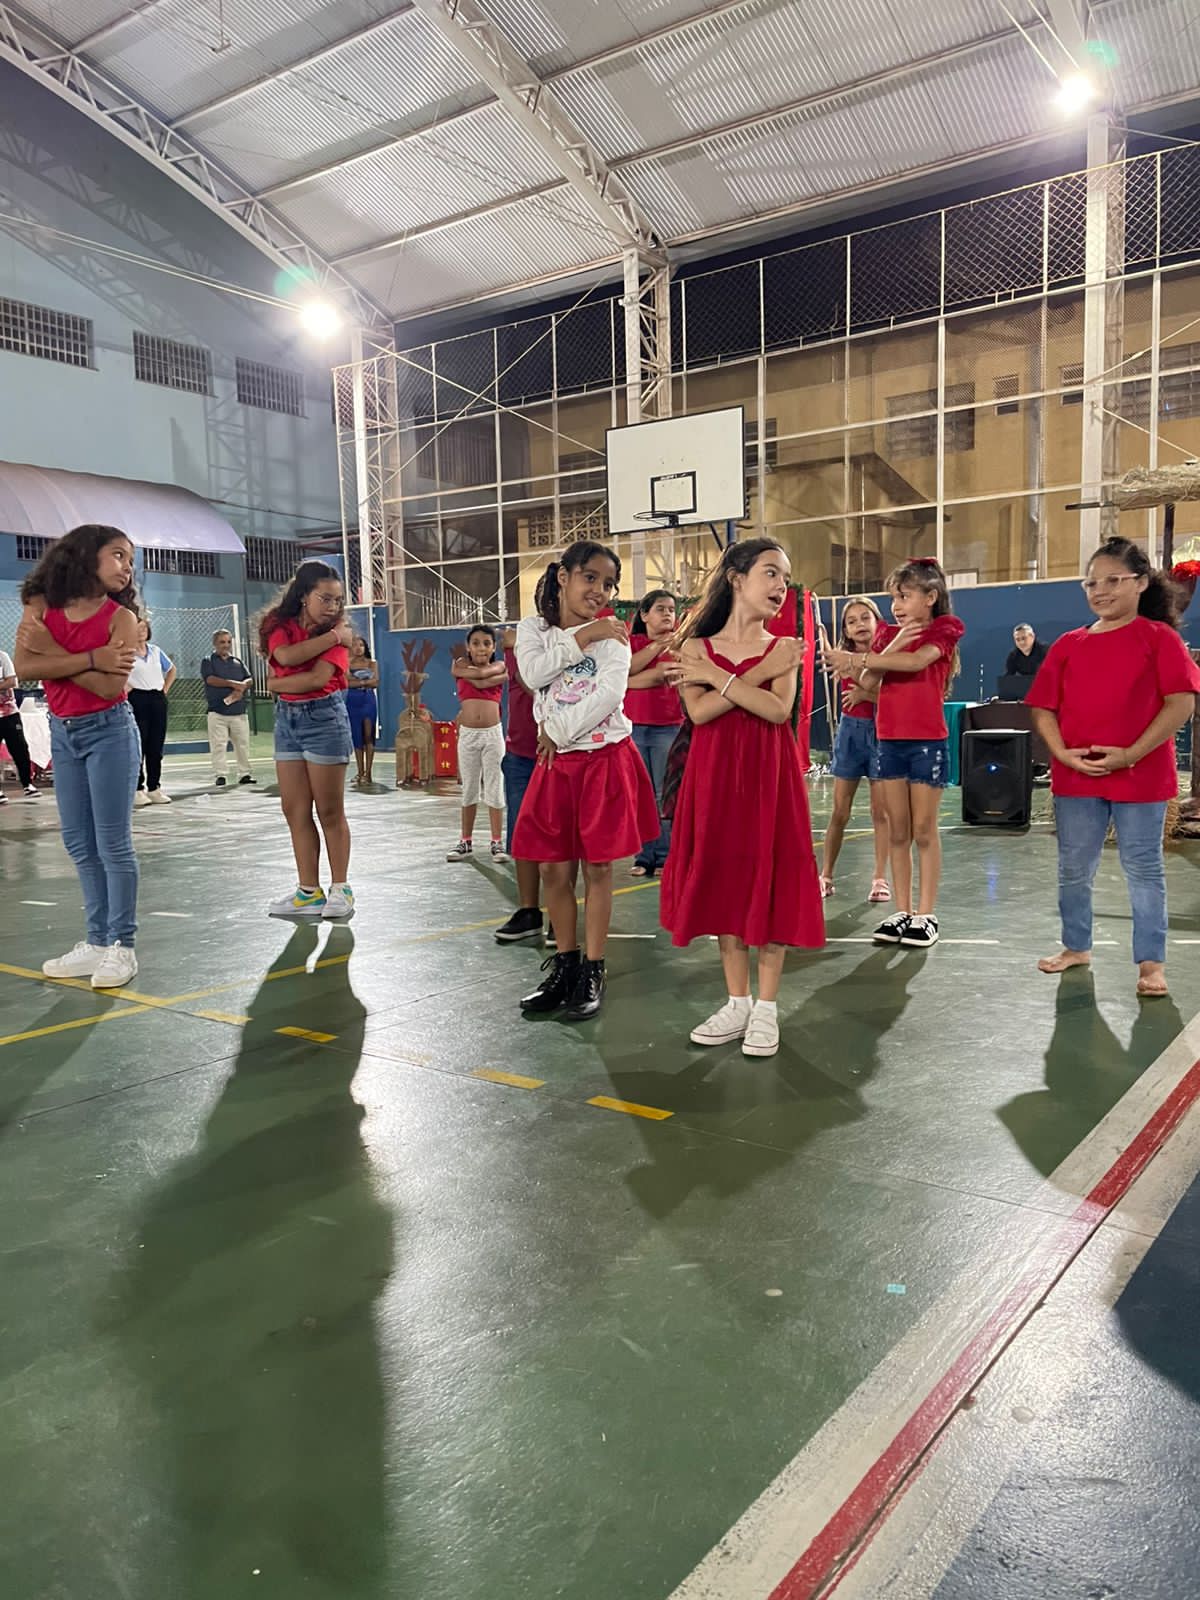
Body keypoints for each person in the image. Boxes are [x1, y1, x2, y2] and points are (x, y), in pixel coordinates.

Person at [659, 539, 823, 1058]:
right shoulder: (695, 648)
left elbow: (777, 711)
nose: (781, 586)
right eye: (771, 573)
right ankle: (737, 1003)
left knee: (771, 882)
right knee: (726, 881)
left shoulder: (786, 646)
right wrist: (736, 677)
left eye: (785, 578)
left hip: (770, 778)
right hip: (714, 780)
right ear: (736, 577)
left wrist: (717, 679)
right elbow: (700, 712)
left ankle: (766, 1008)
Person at [1027, 536, 1200, 998]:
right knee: (1073, 867)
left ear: (1141, 583)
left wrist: (1132, 753)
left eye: (1113, 580)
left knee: (1143, 868)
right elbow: (1043, 707)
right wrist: (1062, 753)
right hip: (1076, 777)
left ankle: (1151, 964)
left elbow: (1181, 702)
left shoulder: (1160, 639)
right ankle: (1076, 946)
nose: (1100, 591)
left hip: (1142, 777)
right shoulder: (1068, 645)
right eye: (1091, 583)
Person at [514, 540, 658, 1021]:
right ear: (564, 576)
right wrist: (584, 634)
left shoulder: (615, 637)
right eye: (590, 577)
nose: (600, 590)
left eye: (609, 584)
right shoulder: (534, 630)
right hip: (555, 767)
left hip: (602, 760)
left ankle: (593, 969)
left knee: (598, 868)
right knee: (554, 871)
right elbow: (534, 673)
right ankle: (565, 966)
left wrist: (555, 730)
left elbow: (609, 695)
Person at [14, 524, 141, 988]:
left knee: (113, 843)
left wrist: (54, 655)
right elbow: (24, 667)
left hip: (110, 732)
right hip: (63, 734)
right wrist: (90, 658)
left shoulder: (121, 619)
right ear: (86, 556)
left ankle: (122, 946)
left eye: (130, 560)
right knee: (78, 842)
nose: (127, 567)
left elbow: (109, 688)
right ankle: (97, 942)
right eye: (118, 555)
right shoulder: (43, 608)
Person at [823, 556, 964, 950]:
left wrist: (858, 659)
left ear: (930, 597)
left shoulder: (945, 628)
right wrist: (891, 644)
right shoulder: (887, 635)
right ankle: (902, 910)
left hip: (927, 743)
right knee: (898, 830)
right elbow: (869, 681)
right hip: (888, 742)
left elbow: (916, 661)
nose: (896, 606)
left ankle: (925, 914)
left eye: (904, 596)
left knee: (924, 829)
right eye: (893, 598)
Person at [258, 561, 356, 919]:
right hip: (287, 721)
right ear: (303, 596)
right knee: (295, 809)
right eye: (324, 599)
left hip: (324, 719)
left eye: (337, 600)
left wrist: (277, 682)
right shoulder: (279, 625)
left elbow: (316, 680)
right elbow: (284, 655)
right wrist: (331, 639)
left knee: (329, 810)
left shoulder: (341, 632)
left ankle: (341, 889)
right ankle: (308, 892)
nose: (332, 607)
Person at [819, 597, 890, 902]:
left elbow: (891, 695)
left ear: (877, 621)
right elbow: (863, 684)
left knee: (880, 812)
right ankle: (826, 875)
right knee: (840, 811)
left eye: (865, 618)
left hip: (883, 733)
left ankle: (879, 879)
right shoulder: (842, 659)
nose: (859, 624)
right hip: (851, 733)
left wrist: (865, 694)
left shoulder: (889, 656)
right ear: (846, 631)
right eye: (851, 621)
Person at [495, 626, 550, 943]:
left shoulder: (567, 641)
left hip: (560, 751)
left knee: (558, 839)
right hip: (521, 753)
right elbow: (529, 682)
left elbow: (544, 686)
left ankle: (560, 914)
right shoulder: (521, 640)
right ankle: (529, 911)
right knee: (522, 835)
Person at [625, 589, 684, 878]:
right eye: (661, 609)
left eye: (672, 609)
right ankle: (643, 856)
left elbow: (666, 673)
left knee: (663, 795)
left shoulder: (682, 644)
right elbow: (623, 671)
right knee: (640, 794)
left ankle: (665, 856)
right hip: (634, 727)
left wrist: (633, 679)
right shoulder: (632, 643)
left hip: (668, 728)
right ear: (645, 615)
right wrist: (656, 648)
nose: (668, 614)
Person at [448, 625, 508, 863]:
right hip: (469, 735)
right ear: (468, 647)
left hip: (492, 735)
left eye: (487, 643)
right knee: (470, 787)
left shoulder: (499, 665)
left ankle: (497, 841)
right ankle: (465, 840)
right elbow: (482, 678)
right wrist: (487, 676)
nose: (481, 648)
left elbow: (482, 677)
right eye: (475, 643)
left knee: (494, 786)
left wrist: (471, 674)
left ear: (493, 647)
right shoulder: (460, 663)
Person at [128, 617, 176, 807]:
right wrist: (128, 688)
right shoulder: (127, 653)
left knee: (156, 746)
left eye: (144, 628)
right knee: (139, 743)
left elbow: (171, 670)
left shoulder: (156, 651)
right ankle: (137, 788)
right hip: (137, 699)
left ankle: (154, 787)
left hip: (157, 699)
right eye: (137, 628)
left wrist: (164, 690)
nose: (142, 632)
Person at [201, 628, 255, 788]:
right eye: (222, 642)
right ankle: (221, 775)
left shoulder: (237, 662)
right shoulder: (208, 661)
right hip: (217, 712)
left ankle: (244, 774)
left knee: (242, 743)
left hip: (238, 711)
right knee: (218, 744)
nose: (226, 645)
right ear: (215, 643)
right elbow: (210, 679)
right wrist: (233, 684)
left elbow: (249, 679)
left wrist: (242, 687)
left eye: (228, 642)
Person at [0, 646, 38, 802]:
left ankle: (28, 784)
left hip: (9, 713)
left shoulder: (2, 657)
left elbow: (12, 681)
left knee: (20, 748)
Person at [345, 633, 380, 787]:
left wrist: (357, 682)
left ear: (365, 647)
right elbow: (346, 683)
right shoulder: (346, 663)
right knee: (357, 736)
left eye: (361, 645)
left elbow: (375, 682)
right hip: (352, 700)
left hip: (368, 700)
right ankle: (360, 772)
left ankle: (368, 773)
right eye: (355, 645)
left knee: (368, 735)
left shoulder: (372, 663)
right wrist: (365, 681)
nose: (358, 648)